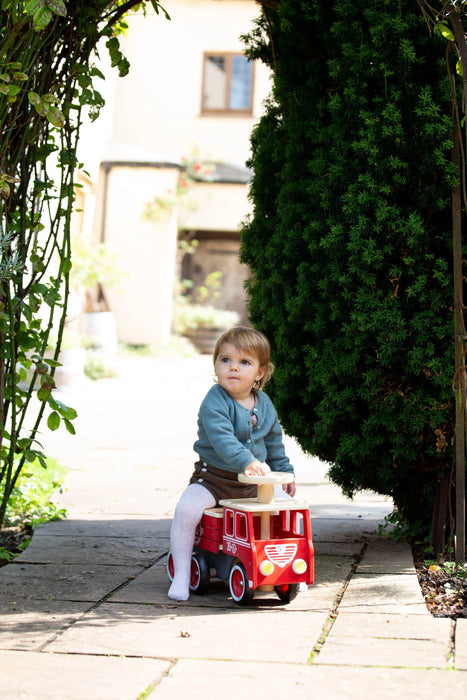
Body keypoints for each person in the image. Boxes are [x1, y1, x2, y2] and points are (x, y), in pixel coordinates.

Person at [168, 325, 295, 601]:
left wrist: (285, 472)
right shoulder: (214, 401)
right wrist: (247, 461)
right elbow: (222, 439)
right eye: (225, 360)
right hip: (213, 479)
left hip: (252, 484)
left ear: (260, 372)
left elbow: (274, 442)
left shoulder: (265, 404)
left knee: (288, 508)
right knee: (186, 510)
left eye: (244, 362)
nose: (233, 368)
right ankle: (180, 574)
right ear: (216, 364)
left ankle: (288, 569)